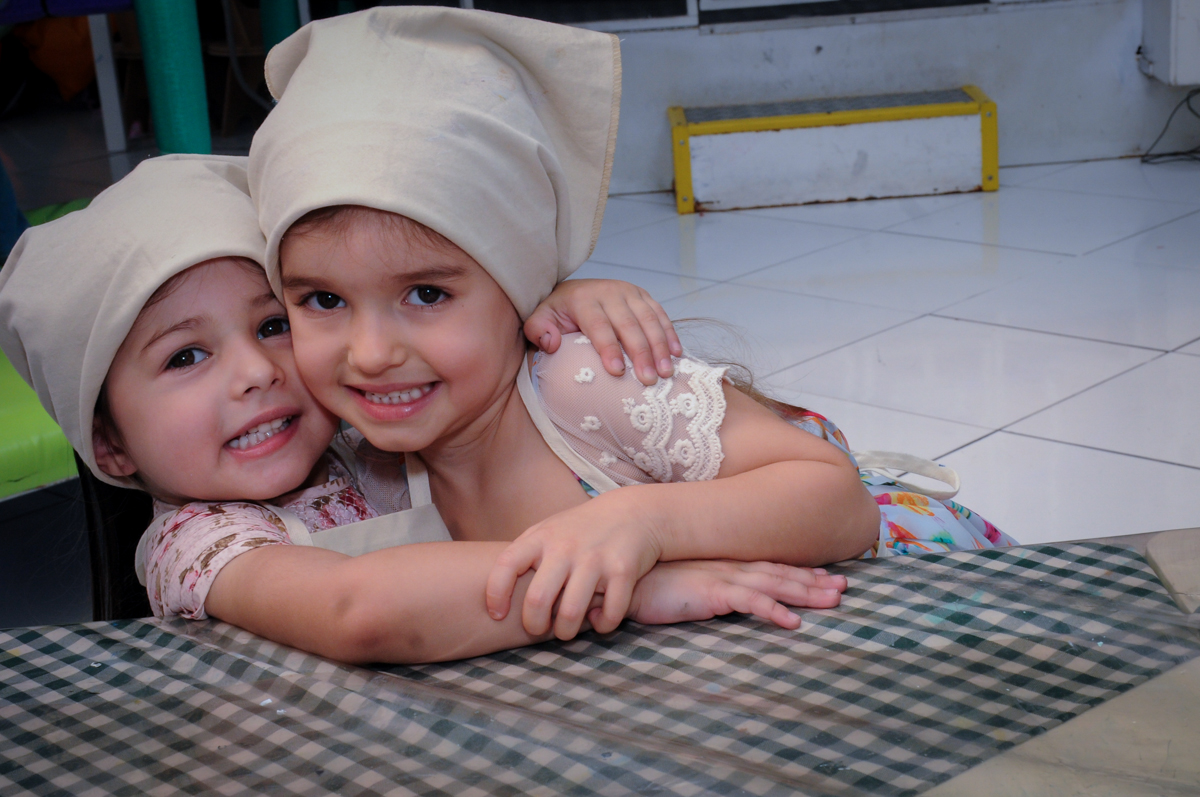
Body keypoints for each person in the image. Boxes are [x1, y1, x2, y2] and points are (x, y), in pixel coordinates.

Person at [248, 7, 1015, 643]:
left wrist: (641, 520)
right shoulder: (367, 460)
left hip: (918, 608)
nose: (372, 354)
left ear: (521, 287)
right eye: (321, 301)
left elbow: (834, 501)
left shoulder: (579, 381)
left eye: (424, 293)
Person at [0, 154, 847, 663]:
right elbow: (359, 607)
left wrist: (546, 300)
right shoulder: (193, 544)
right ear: (109, 444)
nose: (258, 370)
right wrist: (624, 588)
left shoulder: (362, 428)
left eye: (274, 322)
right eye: (185, 356)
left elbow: (428, 336)